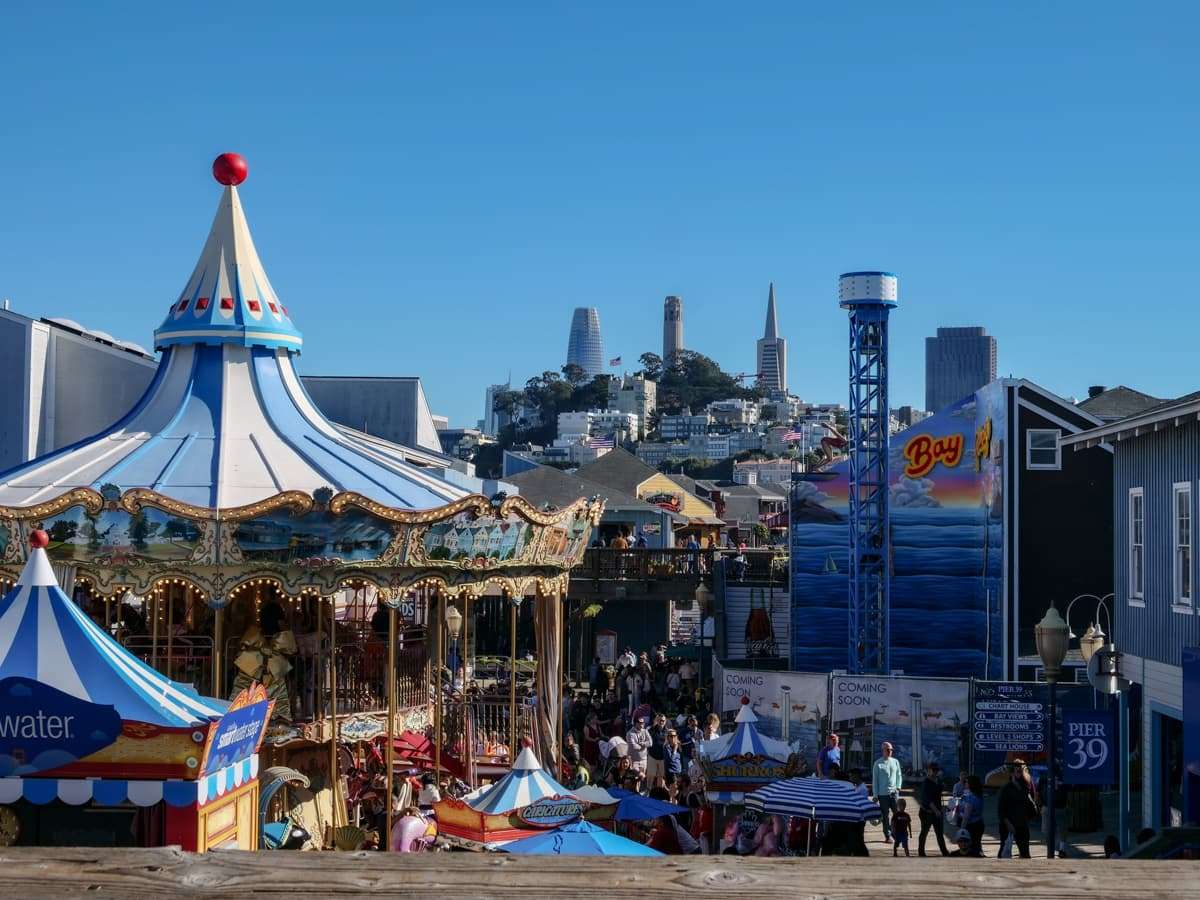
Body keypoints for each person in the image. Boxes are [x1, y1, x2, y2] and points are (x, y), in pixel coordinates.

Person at [997, 762, 1037, 859]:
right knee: (1004, 851)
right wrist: (1008, 824)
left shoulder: (1026, 787)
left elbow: (1031, 802)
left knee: (1025, 853)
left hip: (1022, 824)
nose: (1020, 774)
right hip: (1008, 824)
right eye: (1018, 771)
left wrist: (1030, 816)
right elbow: (1001, 809)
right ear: (1012, 773)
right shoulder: (1006, 789)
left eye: (1021, 771)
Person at [871, 741, 903, 842]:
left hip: (894, 793)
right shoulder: (878, 764)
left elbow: (899, 775)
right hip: (882, 794)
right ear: (883, 750)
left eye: (891, 750)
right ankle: (888, 835)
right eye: (888, 750)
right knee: (885, 816)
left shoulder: (895, 761)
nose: (890, 751)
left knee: (897, 814)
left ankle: (897, 833)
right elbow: (875, 781)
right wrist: (875, 795)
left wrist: (898, 787)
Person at [917, 761, 949, 857]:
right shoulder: (926, 782)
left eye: (937, 770)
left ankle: (944, 852)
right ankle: (921, 852)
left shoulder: (938, 780)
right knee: (924, 832)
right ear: (929, 770)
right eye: (933, 770)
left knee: (939, 834)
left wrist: (942, 786)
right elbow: (928, 800)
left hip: (937, 811)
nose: (935, 772)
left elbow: (940, 790)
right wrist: (936, 811)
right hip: (927, 812)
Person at [960, 774, 986, 857]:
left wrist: (962, 828)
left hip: (972, 826)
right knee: (977, 844)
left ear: (971, 784)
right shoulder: (979, 796)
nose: (965, 783)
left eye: (967, 782)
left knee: (971, 847)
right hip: (979, 823)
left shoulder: (970, 798)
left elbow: (966, 816)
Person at [627, 716, 652, 786]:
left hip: (643, 759)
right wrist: (644, 745)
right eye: (640, 723)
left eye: (643, 723)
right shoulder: (630, 733)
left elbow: (650, 743)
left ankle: (636, 793)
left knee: (640, 779)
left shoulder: (645, 731)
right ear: (635, 723)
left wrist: (643, 744)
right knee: (635, 778)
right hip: (634, 760)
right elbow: (634, 746)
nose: (642, 724)